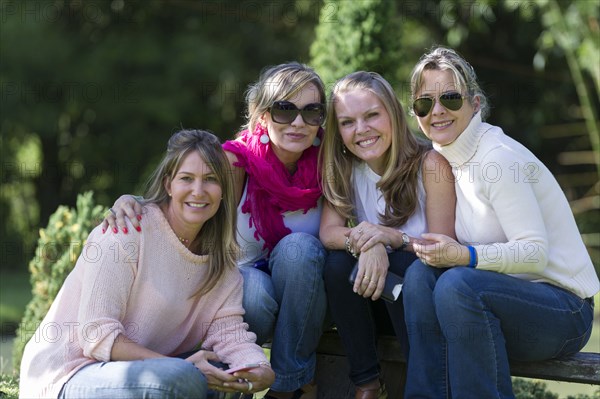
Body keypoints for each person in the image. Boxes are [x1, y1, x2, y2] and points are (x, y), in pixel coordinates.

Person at [101, 62, 328, 399]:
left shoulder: (330, 163)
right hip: (240, 285)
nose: (298, 122)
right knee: (251, 288)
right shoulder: (236, 162)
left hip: (304, 288)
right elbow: (185, 197)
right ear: (262, 115)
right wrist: (129, 199)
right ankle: (233, 383)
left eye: (312, 112)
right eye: (284, 109)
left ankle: (287, 387)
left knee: (300, 249)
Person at [402, 46, 599, 398]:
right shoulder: (448, 161)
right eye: (424, 103)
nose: (437, 111)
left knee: (457, 285)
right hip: (501, 305)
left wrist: (464, 256)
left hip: (564, 312)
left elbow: (534, 253)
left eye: (450, 98)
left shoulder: (497, 159)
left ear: (475, 104)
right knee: (421, 276)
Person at [19, 129, 275, 398]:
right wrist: (175, 366)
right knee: (186, 377)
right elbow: (96, 334)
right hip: (69, 373)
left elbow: (229, 333)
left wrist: (259, 368)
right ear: (168, 185)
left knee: (218, 369)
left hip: (145, 371)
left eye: (210, 180)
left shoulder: (221, 263)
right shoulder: (126, 230)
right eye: (186, 178)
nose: (198, 191)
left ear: (223, 189)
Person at [318, 71, 456, 399]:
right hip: (381, 298)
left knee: (408, 269)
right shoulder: (347, 168)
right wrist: (365, 244)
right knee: (337, 266)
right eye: (347, 122)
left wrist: (387, 239)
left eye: (371, 116)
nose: (361, 130)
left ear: (392, 113)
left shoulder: (430, 164)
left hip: (424, 305)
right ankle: (367, 384)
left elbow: (442, 249)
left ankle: (424, 389)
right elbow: (328, 232)